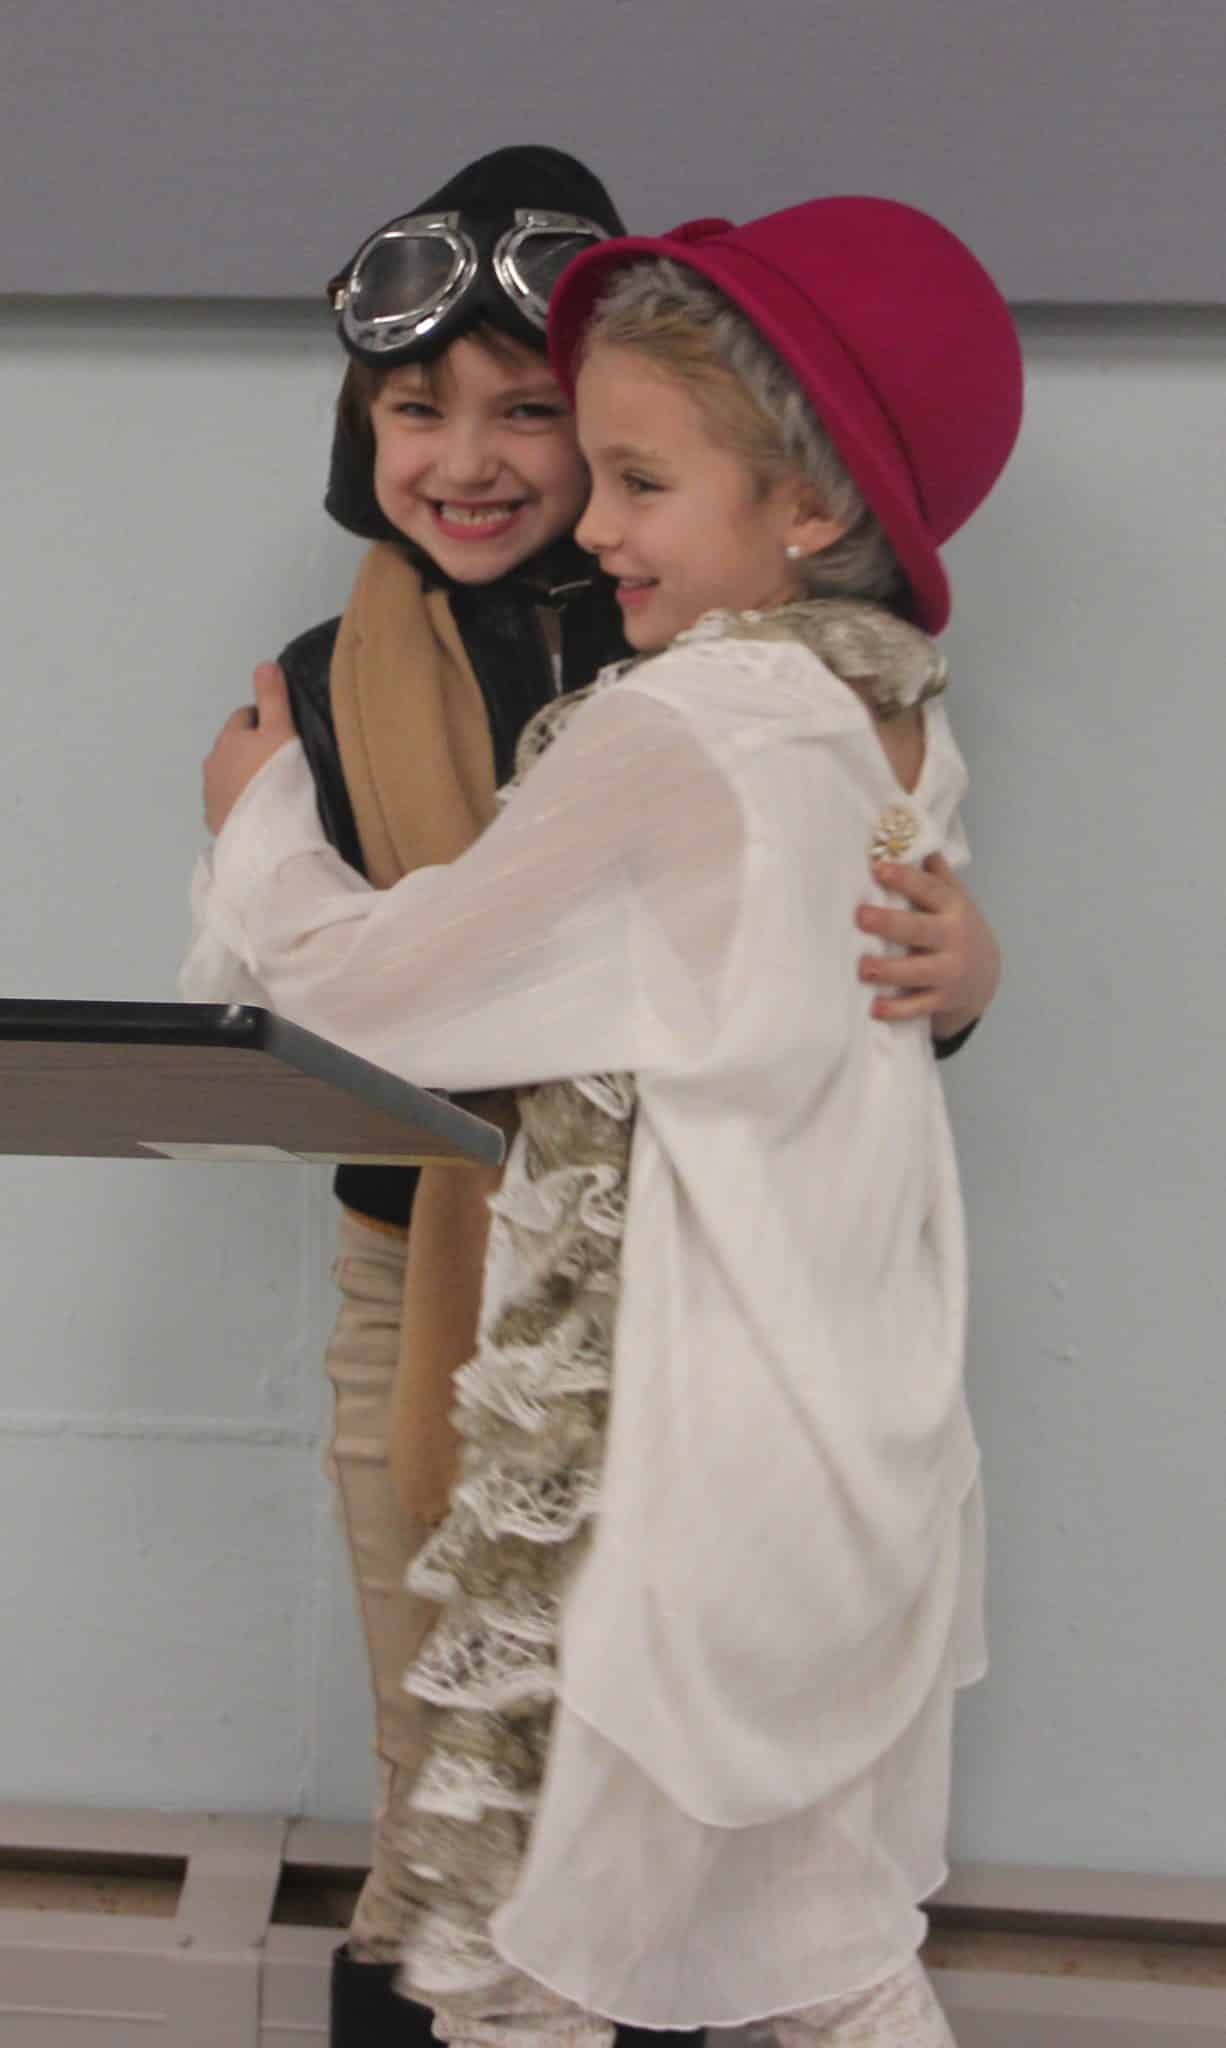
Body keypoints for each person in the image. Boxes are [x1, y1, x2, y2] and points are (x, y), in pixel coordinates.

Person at [188, 185, 1014, 2046]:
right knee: (800, 1929)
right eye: (414, 410)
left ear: (803, 510)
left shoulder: (677, 718)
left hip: (659, 1399)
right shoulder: (877, 714)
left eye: (622, 471)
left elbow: (372, 994)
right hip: (826, 1377)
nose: (580, 513)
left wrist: (253, 826)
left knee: (540, 1914)